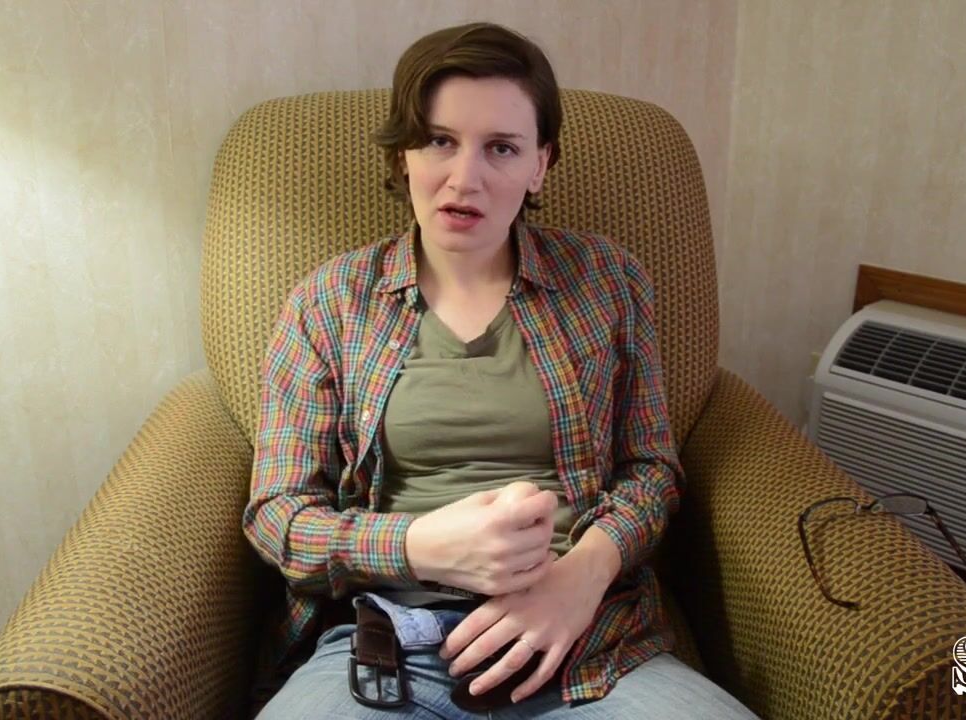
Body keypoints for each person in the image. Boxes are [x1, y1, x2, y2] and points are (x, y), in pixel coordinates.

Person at [244, 21, 759, 719]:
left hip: (587, 642)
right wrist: (419, 547)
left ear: (539, 165)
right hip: (391, 643)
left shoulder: (608, 281)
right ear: (401, 155)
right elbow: (277, 516)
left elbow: (651, 471)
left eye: (502, 148)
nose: (466, 179)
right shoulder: (329, 302)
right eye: (439, 141)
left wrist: (582, 575)